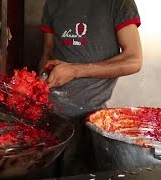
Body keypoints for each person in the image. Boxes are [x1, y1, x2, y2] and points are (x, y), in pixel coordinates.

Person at [38, 0, 143, 177]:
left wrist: (75, 70)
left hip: (90, 118)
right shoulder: (52, 3)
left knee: (80, 169)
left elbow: (133, 60)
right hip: (50, 116)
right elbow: (47, 53)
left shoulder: (118, 3)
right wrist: (40, 81)